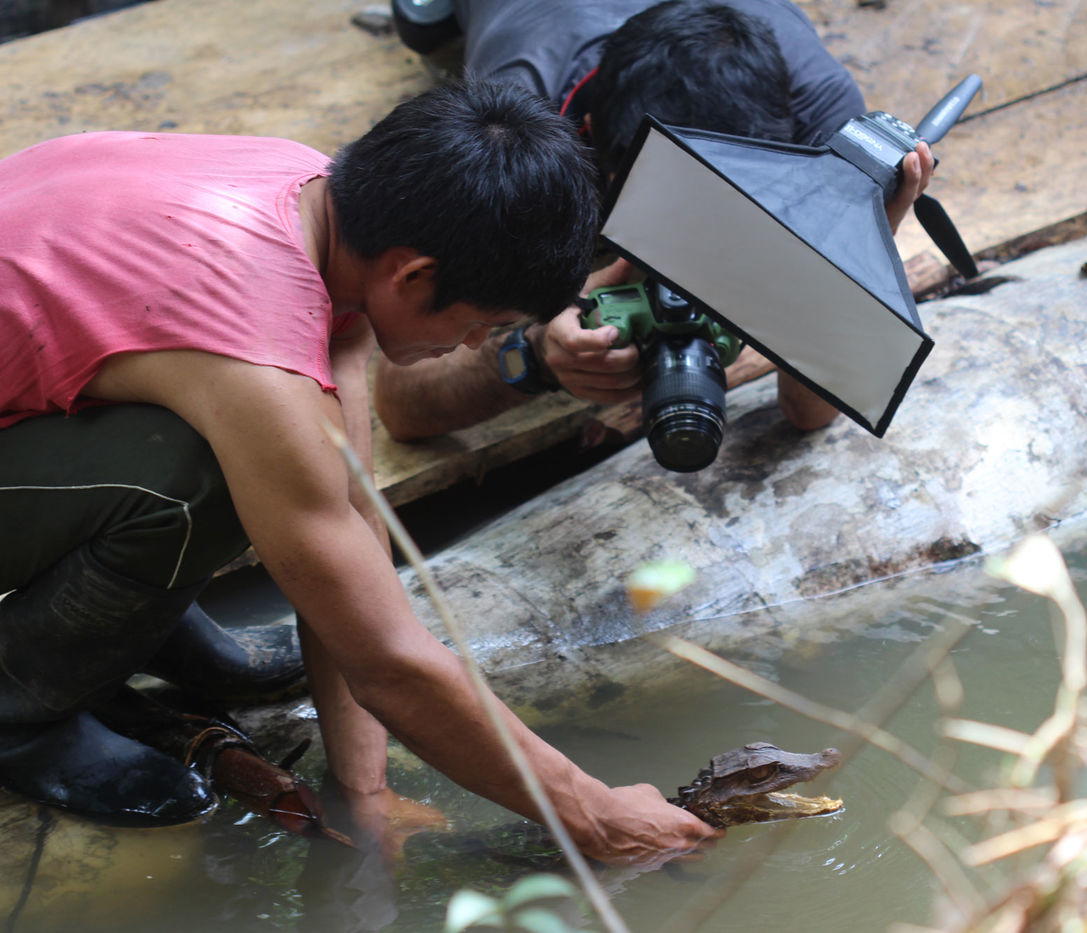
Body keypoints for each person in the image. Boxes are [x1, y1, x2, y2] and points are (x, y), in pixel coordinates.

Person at [0, 78, 719, 861]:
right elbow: (388, 663)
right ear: (412, 277)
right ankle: (18, 706)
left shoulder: (315, 192)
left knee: (275, 467)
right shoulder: (254, 352)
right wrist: (594, 814)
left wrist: (365, 791)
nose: (478, 344)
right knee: (203, 479)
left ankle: (137, 630)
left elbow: (349, 512)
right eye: (484, 323)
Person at [375, 0, 934, 441]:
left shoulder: (820, 125)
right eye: (665, 214)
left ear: (777, 144)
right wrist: (532, 354)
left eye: (725, 217)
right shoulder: (513, 146)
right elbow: (400, 405)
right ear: (588, 132)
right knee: (426, 27)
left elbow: (810, 415)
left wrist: (854, 249)